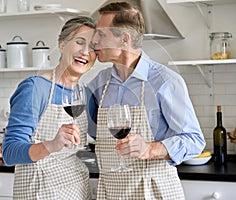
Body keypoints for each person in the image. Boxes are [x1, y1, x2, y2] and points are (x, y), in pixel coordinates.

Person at [87, 2, 206, 199]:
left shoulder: (165, 81)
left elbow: (194, 140)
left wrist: (149, 149)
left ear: (124, 39)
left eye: (101, 34)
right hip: (110, 191)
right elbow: (80, 124)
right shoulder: (99, 83)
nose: (94, 41)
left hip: (154, 190)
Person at [2, 16, 96, 199]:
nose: (86, 51)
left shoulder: (85, 94)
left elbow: (103, 137)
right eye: (79, 42)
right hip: (40, 191)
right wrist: (52, 145)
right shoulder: (35, 88)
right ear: (62, 45)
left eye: (93, 46)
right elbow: (9, 152)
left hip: (77, 189)